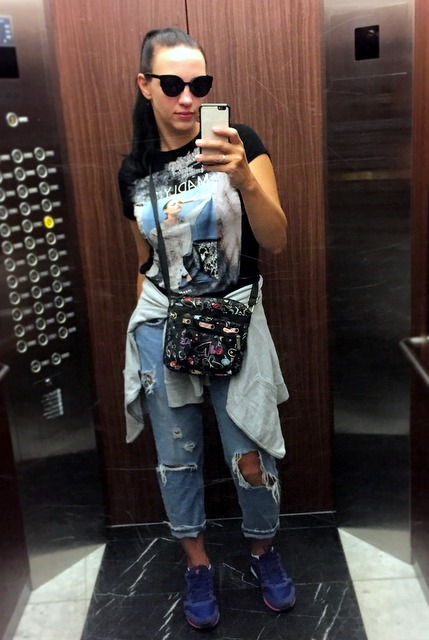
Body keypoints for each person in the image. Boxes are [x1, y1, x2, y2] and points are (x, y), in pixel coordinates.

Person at [118, 27, 295, 630]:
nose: (187, 97)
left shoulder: (239, 143)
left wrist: (243, 177)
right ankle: (196, 564)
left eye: (200, 84)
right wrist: (144, 323)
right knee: (177, 458)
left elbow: (276, 238)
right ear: (146, 85)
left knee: (250, 455)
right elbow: (144, 258)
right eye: (172, 84)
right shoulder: (134, 171)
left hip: (235, 320)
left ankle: (263, 551)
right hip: (162, 325)